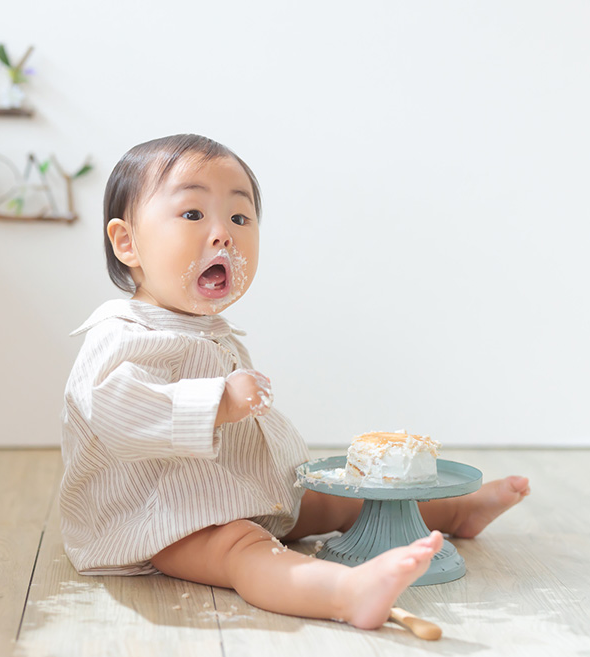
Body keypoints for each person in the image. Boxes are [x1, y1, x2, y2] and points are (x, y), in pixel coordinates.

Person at [60, 133, 531, 629]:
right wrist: (217, 402)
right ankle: (346, 593)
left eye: (240, 218)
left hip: (237, 491)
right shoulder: (121, 335)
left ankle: (456, 514)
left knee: (339, 499)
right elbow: (114, 412)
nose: (223, 233)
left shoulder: (206, 329)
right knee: (240, 546)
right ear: (127, 242)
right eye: (194, 214)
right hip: (159, 517)